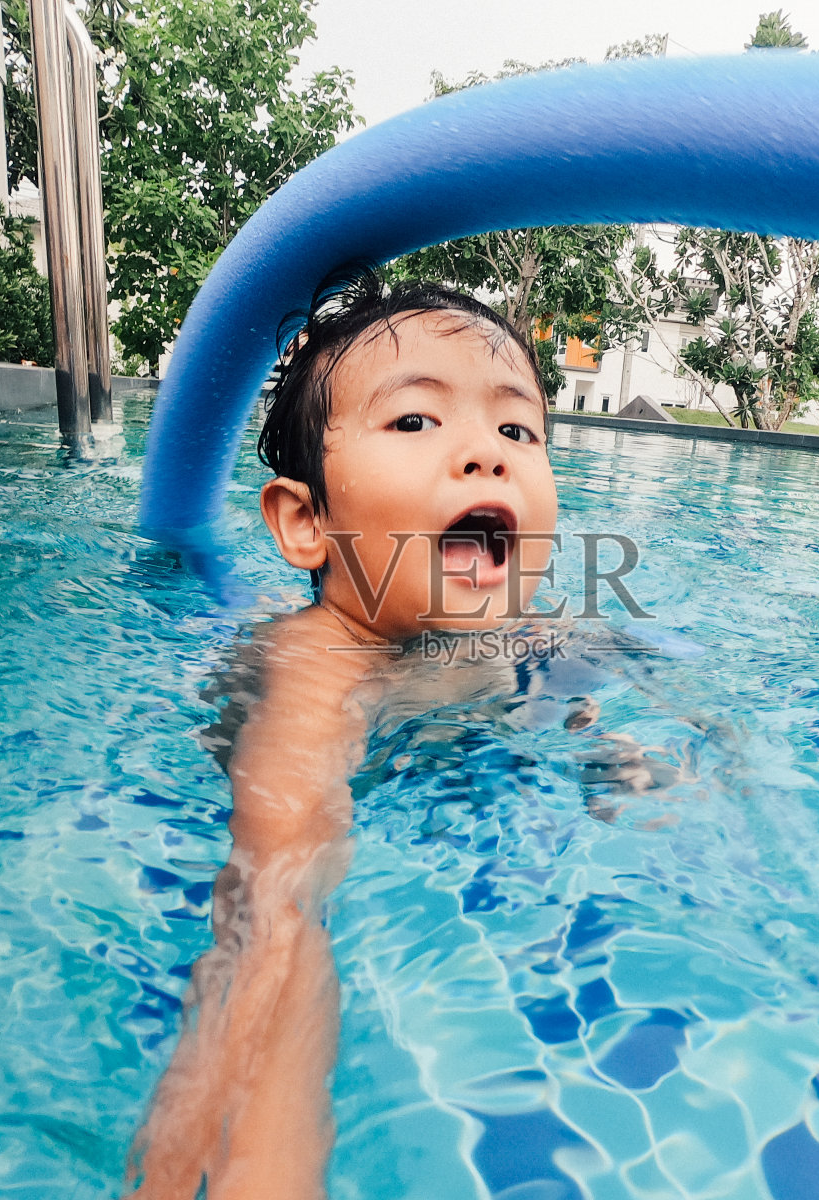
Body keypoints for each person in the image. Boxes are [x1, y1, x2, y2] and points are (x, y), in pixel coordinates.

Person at [126, 270, 562, 1200]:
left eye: (517, 429)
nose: (487, 454)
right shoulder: (312, 672)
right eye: (416, 421)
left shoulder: (535, 632)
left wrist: (620, 755)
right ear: (306, 521)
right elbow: (275, 915)